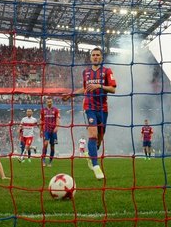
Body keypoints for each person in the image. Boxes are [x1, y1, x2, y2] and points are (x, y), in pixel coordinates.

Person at [62, 47, 117, 180]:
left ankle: (91, 155)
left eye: (98, 55)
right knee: (92, 134)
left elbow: (113, 89)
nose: (96, 57)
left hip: (103, 109)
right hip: (89, 107)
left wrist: (99, 86)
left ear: (101, 57)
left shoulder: (107, 71)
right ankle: (96, 166)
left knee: (99, 138)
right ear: (90, 57)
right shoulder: (86, 72)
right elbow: (85, 88)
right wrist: (71, 95)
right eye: (93, 55)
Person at [40, 98, 60, 167]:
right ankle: (43, 160)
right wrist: (41, 131)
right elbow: (41, 121)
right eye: (48, 102)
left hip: (53, 130)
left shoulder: (56, 110)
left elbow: (57, 119)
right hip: (46, 130)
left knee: (52, 147)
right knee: (45, 144)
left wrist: (57, 127)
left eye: (50, 101)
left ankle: (50, 162)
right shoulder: (43, 110)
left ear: (52, 102)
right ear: (46, 102)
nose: (49, 103)